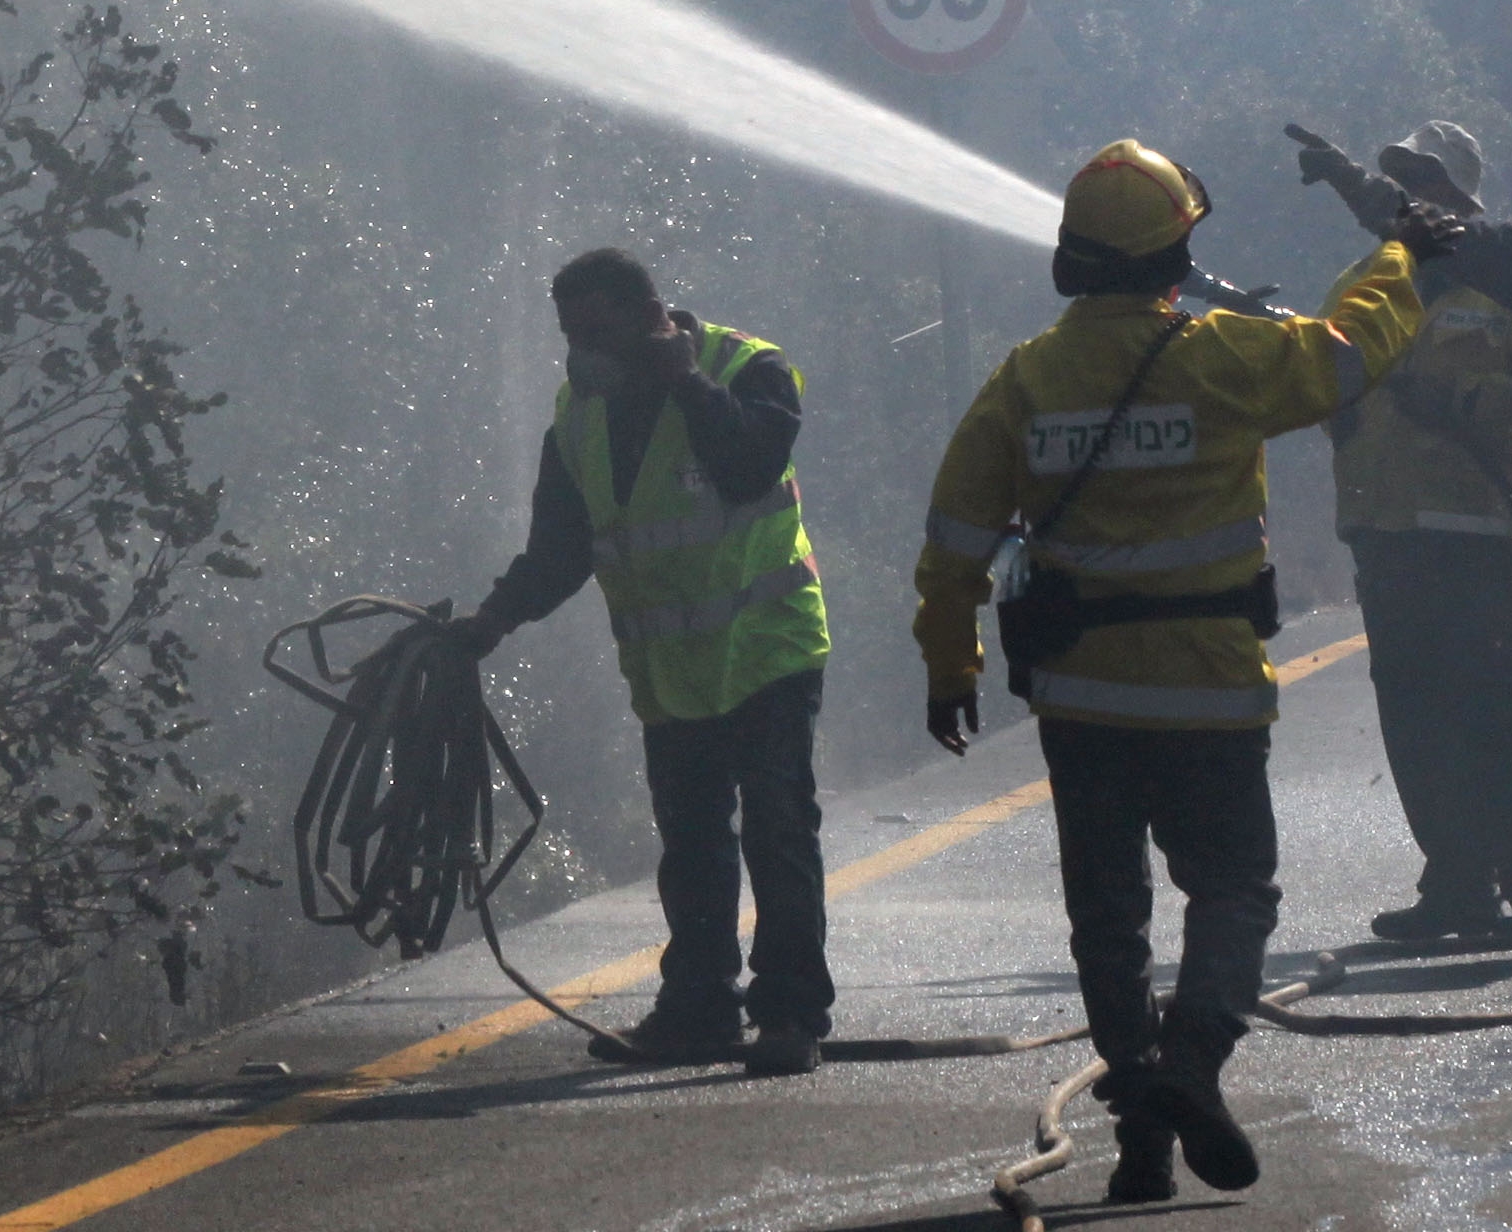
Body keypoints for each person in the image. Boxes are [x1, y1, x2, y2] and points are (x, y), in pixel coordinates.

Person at [916, 139, 1450, 1204]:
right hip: (1208, 689)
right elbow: (1350, 350)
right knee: (1233, 889)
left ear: (1071, 260)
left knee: (1108, 920)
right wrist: (1401, 253)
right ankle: (1194, 1062)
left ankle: (1141, 1143)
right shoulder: (1224, 357)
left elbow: (956, 540)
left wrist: (949, 665)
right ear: (1175, 255)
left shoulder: (1025, 380)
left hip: (1081, 701)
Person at [447, 246, 833, 1074]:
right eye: (570, 336)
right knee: (692, 845)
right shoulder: (579, 417)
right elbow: (560, 550)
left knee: (778, 832)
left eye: (597, 333)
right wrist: (494, 619)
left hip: (766, 650)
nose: (582, 354)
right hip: (669, 671)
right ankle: (699, 1009)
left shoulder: (748, 370)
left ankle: (790, 1015)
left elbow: (748, 466)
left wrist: (685, 381)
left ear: (652, 316)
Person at [1286, 117, 1512, 943]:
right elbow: (1316, 382)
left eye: (1424, 177)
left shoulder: (1504, 293)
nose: (1410, 192)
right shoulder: (1364, 283)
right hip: (1386, 531)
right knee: (1415, 715)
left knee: (1491, 708)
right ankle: (1457, 884)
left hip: (1476, 532)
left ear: (1459, 194)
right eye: (1403, 176)